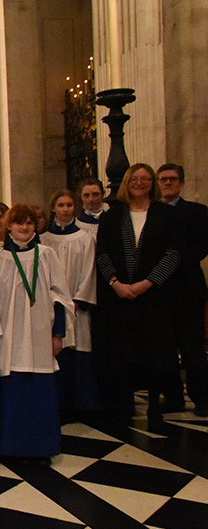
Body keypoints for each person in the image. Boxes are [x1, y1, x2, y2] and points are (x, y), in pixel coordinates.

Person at [95, 163, 181, 426]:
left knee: (154, 353)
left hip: (154, 297)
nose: (140, 183)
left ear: (152, 184)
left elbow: (173, 253)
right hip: (120, 296)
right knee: (123, 353)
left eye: (145, 179)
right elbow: (103, 254)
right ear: (127, 183)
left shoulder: (165, 214)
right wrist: (115, 283)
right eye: (135, 178)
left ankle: (154, 405)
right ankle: (124, 406)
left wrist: (148, 283)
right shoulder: (112, 216)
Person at [0, 204, 73, 463]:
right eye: (19, 223)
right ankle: (13, 447)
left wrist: (57, 333)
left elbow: (60, 295)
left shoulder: (46, 254)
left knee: (40, 394)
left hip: (40, 333)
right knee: (14, 392)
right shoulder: (0, 258)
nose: (24, 227)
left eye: (28, 223)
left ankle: (41, 448)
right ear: (9, 226)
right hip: (11, 333)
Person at [40, 190, 101, 416]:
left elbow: (88, 271)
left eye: (69, 205)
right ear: (53, 208)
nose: (65, 209)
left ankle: (82, 404)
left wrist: (76, 300)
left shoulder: (85, 238)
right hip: (52, 306)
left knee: (80, 348)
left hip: (77, 305)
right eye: (61, 205)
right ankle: (59, 403)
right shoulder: (44, 240)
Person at [157, 163, 208, 416]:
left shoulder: (198, 212)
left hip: (187, 288)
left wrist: (169, 262)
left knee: (193, 348)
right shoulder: (150, 213)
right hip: (159, 291)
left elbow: (200, 247)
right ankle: (173, 396)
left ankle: (201, 397)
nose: (168, 183)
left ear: (181, 183)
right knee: (164, 348)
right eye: (163, 179)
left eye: (173, 179)